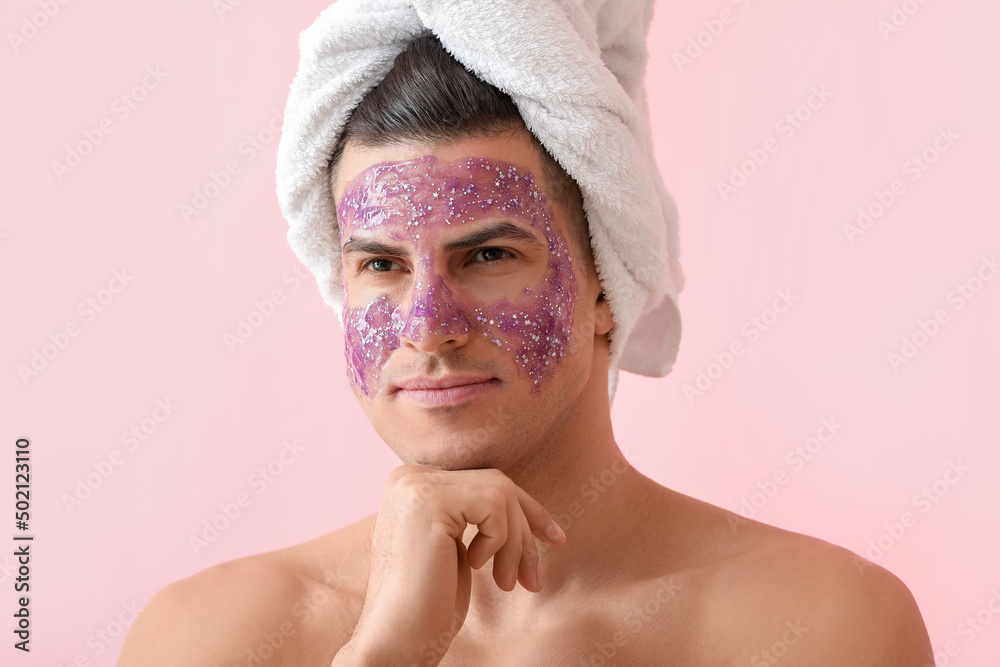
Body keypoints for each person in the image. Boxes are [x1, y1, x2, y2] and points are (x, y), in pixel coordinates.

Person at [119, 33, 934, 667]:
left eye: (488, 256)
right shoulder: (214, 634)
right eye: (381, 264)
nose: (427, 325)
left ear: (607, 289)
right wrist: (386, 651)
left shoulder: (818, 624)